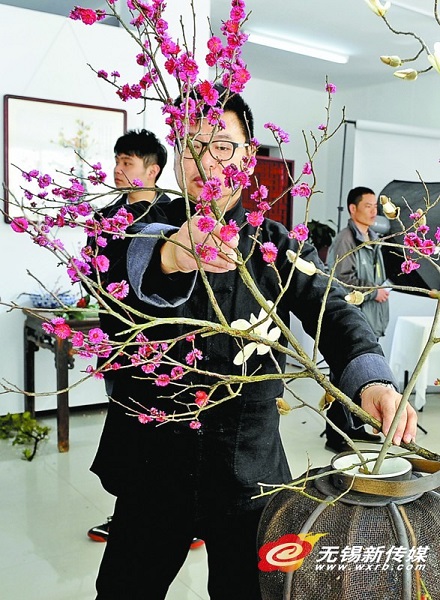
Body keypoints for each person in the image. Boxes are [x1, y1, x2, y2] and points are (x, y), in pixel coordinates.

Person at [90, 87, 417, 600]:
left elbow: (334, 311)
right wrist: (172, 258)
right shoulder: (134, 231)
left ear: (247, 155)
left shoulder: (279, 248)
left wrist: (373, 379)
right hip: (152, 466)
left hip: (247, 470)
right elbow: (128, 269)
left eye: (221, 145)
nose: (205, 159)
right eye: (190, 144)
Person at [84, 129, 204, 551]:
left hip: (170, 349)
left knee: (175, 433)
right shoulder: (104, 219)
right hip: (121, 344)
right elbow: (98, 278)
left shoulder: (178, 215)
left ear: (153, 170)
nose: (118, 168)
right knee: (129, 435)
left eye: (128, 162)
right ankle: (130, 514)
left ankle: (188, 519)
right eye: (117, 160)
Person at [324, 186, 390, 453]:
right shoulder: (345, 240)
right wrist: (374, 292)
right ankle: (336, 436)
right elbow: (341, 281)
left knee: (358, 377)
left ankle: (352, 430)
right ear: (353, 209)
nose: (374, 211)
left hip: (370, 317)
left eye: (376, 206)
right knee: (341, 375)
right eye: (368, 206)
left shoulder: (373, 238)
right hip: (352, 318)